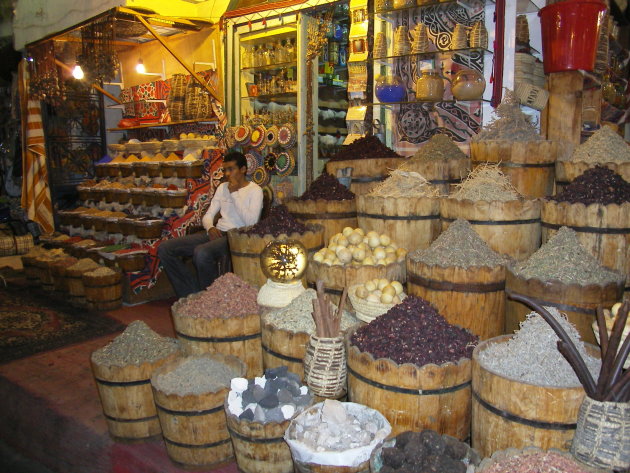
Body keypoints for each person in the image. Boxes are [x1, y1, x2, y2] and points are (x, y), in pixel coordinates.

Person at [158, 151, 263, 298]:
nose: (227, 174)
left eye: (231, 169)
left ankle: (211, 298)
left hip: (236, 237)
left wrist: (234, 193)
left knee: (201, 252)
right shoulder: (222, 188)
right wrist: (210, 227)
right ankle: (192, 293)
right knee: (165, 248)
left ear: (243, 169)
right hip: (217, 231)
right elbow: (208, 216)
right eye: (225, 169)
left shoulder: (255, 191)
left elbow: (251, 222)